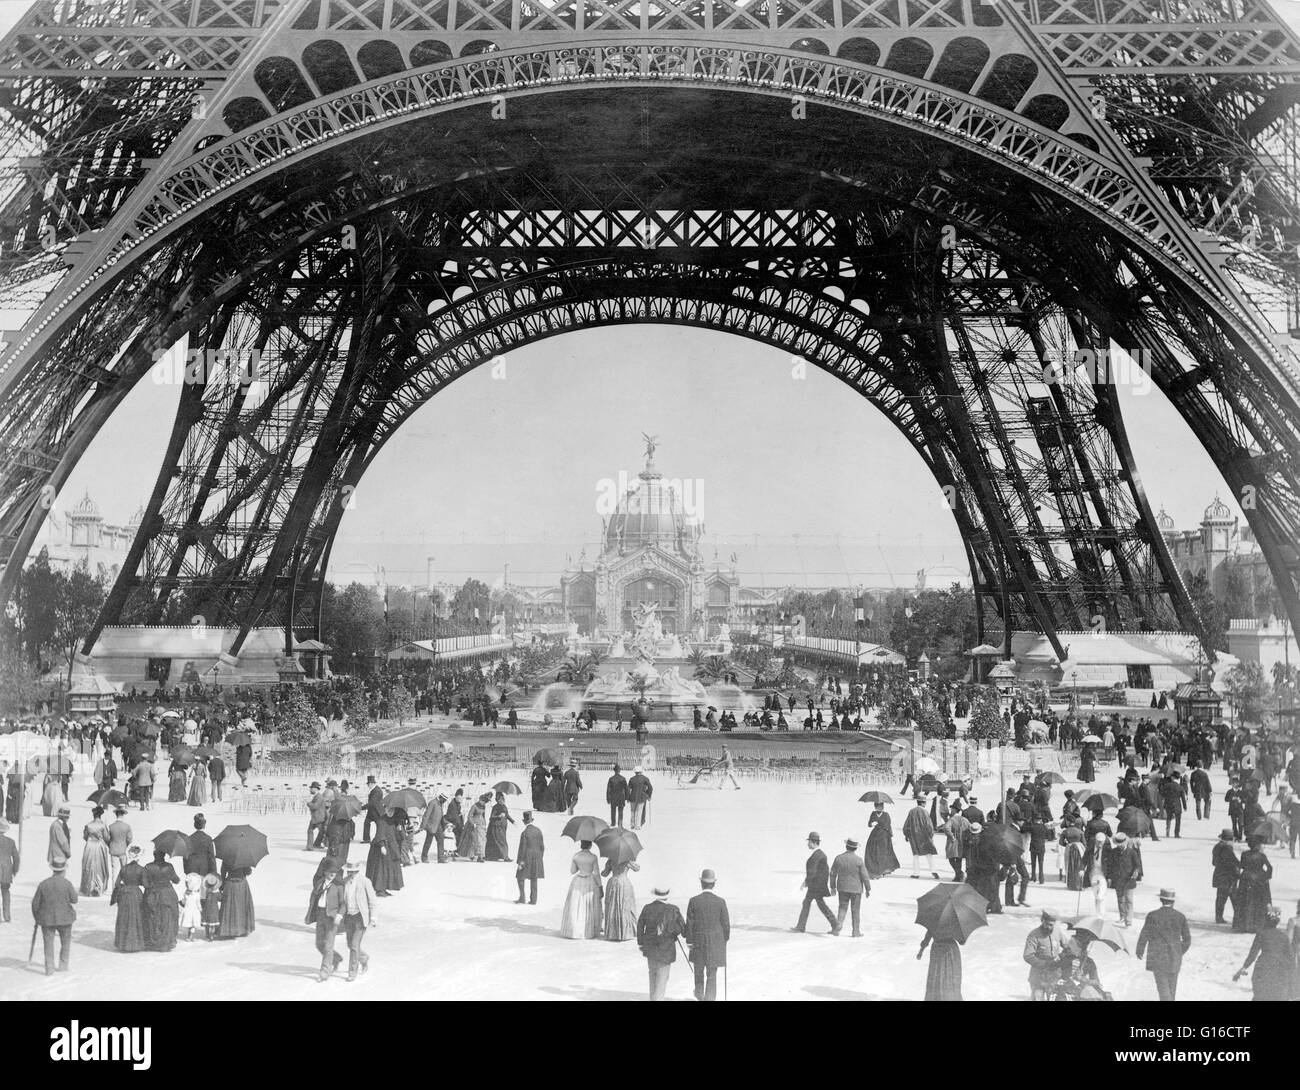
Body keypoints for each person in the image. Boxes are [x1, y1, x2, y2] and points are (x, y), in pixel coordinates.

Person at [1135, 888, 1191, 1001]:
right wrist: (1179, 951)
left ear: (1161, 899)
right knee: (1171, 989)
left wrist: (1140, 949)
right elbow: (1187, 940)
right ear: (1173, 902)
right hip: (1174, 958)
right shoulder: (1180, 916)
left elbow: (1144, 934)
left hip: (1158, 958)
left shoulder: (1152, 915)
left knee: (1163, 990)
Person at [685, 869, 730, 1001]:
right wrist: (724, 939)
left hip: (697, 943)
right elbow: (726, 924)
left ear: (701, 883)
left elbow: (689, 924)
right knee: (712, 973)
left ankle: (699, 995)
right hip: (715, 944)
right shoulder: (721, 902)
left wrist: (689, 941)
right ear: (713, 884)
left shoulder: (693, 901)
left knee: (698, 971)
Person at [637, 885, 686, 1000]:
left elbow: (640, 926)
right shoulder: (673, 909)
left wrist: (641, 943)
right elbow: (683, 930)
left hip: (650, 949)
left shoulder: (647, 908)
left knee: (652, 976)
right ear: (667, 896)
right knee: (662, 979)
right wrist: (673, 932)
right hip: (666, 950)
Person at [1234, 905, 1292, 1000]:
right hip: (1279, 969)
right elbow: (1290, 957)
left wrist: (1243, 968)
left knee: (1261, 995)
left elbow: (1253, 954)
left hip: (1263, 967)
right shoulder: (1284, 936)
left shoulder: (1261, 933)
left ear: (1266, 919)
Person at [31, 859, 78, 975]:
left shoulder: (43, 884)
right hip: (65, 919)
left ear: (53, 869)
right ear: (63, 870)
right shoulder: (67, 883)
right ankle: (63, 966)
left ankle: (49, 969)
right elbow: (74, 900)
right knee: (65, 944)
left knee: (48, 944)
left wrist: (37, 917)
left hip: (47, 920)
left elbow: (34, 904)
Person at [340, 859, 377, 981]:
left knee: (355, 945)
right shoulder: (344, 882)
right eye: (349, 871)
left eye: (353, 872)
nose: (351, 874)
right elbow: (342, 901)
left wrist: (373, 917)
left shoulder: (365, 881)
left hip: (360, 918)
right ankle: (364, 958)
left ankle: (352, 972)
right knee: (350, 944)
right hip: (349, 917)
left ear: (357, 871)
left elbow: (372, 901)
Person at [793, 831, 836, 934]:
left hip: (815, 886)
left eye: (809, 842)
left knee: (809, 903)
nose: (807, 844)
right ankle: (835, 924)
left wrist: (806, 882)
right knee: (815, 904)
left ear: (813, 842)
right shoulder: (820, 854)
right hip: (816, 885)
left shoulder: (817, 855)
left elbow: (813, 871)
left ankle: (801, 927)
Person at [559, 839, 603, 939]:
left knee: (577, 906)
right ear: (590, 845)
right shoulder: (593, 857)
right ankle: (588, 930)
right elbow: (596, 873)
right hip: (590, 881)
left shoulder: (576, 856)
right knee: (588, 904)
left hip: (578, 881)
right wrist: (600, 886)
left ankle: (575, 930)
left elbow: (572, 871)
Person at [829, 837, 871, 938]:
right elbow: (865, 876)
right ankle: (855, 932)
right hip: (856, 889)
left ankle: (837, 929)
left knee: (842, 908)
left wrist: (833, 887)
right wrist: (868, 889)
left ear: (846, 846)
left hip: (842, 888)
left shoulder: (838, 858)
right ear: (855, 848)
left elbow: (832, 874)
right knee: (855, 910)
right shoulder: (859, 860)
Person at [142, 848, 181, 952]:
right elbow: (176, 880)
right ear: (164, 855)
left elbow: (145, 884)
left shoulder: (148, 866)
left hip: (152, 894)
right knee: (167, 918)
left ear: (154, 855)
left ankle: (153, 942)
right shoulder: (169, 866)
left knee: (152, 918)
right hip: (167, 894)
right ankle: (166, 942)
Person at [1023, 908, 1066, 1000]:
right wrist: (1044, 964)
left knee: (1054, 998)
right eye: (1047, 924)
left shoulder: (1057, 931)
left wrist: (1062, 955)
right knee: (1038, 997)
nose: (1049, 927)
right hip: (1038, 974)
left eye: (1051, 925)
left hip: (1054, 974)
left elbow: (1068, 947)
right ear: (1042, 920)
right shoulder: (1034, 935)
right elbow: (1028, 955)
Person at [313, 859, 345, 982]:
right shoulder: (320, 883)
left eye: (335, 872)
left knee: (328, 946)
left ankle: (324, 972)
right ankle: (336, 958)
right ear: (325, 872)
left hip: (332, 917)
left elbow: (343, 904)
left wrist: (340, 915)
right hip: (320, 915)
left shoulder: (339, 886)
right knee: (319, 944)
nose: (332, 874)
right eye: (330, 871)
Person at [110, 845, 146, 952]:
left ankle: (123, 944)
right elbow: (146, 884)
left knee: (124, 917)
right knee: (136, 917)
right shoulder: (141, 869)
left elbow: (117, 884)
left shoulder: (124, 868)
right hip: (136, 894)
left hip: (125, 894)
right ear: (138, 857)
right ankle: (135, 944)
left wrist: (124, 887)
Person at [1234, 836, 1273, 933]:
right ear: (1258, 846)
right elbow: (1270, 867)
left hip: (1246, 878)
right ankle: (1258, 924)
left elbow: (1241, 865)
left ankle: (1243, 924)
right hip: (1259, 879)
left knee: (1245, 901)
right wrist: (1267, 876)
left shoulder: (1244, 854)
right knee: (1259, 901)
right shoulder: (1261, 856)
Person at [1104, 831, 1143, 926]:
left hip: (1129, 880)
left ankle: (1128, 921)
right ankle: (1122, 916)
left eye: (1121, 844)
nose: (1119, 846)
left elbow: (1138, 865)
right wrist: (1109, 877)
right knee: (1120, 899)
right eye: (1118, 844)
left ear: (1125, 842)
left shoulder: (1132, 852)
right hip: (1118, 880)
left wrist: (1136, 871)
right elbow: (1109, 866)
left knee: (1129, 900)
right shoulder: (1113, 852)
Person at [917, 927, 962, 1001]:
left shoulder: (934, 921)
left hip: (938, 949)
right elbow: (961, 941)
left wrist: (921, 951)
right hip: (950, 950)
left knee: (937, 975)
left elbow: (927, 937)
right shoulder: (954, 922)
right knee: (948, 975)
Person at [366, 809, 404, 894]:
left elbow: (401, 838)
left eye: (392, 810)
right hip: (381, 847)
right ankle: (379, 889)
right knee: (381, 869)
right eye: (388, 809)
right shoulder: (381, 820)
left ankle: (385, 887)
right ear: (385, 809)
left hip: (392, 848)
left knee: (389, 868)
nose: (390, 812)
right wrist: (382, 846)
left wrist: (400, 830)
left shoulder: (395, 821)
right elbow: (380, 834)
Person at [603, 854, 640, 941]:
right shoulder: (627, 860)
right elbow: (637, 869)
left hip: (613, 883)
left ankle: (613, 933)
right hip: (624, 883)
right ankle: (626, 933)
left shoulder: (610, 860)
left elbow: (605, 874)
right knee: (626, 907)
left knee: (612, 907)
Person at [903, 795, 940, 879]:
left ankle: (916, 873)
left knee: (915, 855)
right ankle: (934, 871)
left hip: (914, 837)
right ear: (923, 803)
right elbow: (929, 826)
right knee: (929, 854)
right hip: (924, 836)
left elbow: (906, 824)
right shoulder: (925, 812)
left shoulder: (911, 811)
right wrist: (931, 836)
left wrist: (906, 835)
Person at [80, 806, 112, 897]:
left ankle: (88, 886)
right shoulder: (103, 825)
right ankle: (98, 886)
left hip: (89, 846)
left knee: (88, 865)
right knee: (100, 866)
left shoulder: (88, 825)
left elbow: (85, 837)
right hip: (99, 846)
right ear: (101, 815)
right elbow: (107, 838)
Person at [218, 862, 255, 937]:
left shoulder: (226, 858)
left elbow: (223, 873)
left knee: (230, 907)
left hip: (230, 884)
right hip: (242, 885)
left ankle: (228, 930)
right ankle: (243, 929)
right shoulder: (243, 858)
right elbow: (248, 872)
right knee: (242, 907)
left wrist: (221, 886)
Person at [1211, 829, 1240, 925]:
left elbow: (1214, 862)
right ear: (1229, 839)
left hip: (1219, 875)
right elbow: (1233, 862)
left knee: (1220, 898)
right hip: (1228, 877)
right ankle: (1238, 919)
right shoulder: (1227, 848)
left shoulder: (1217, 847)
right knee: (1235, 899)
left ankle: (1218, 917)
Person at [515, 810, 544, 905]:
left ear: (524, 822)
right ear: (532, 820)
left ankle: (522, 898)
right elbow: (542, 847)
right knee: (534, 877)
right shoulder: (538, 830)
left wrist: (520, 862)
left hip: (526, 857)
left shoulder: (524, 833)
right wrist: (540, 858)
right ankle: (533, 900)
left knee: (520, 876)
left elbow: (522, 849)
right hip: (537, 857)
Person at [865, 801, 900, 878]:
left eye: (880, 807)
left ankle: (883, 869)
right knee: (873, 851)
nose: (879, 808)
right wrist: (872, 824)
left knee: (882, 853)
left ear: (883, 807)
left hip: (884, 836)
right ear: (875, 807)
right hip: (874, 835)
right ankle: (875, 869)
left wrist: (891, 836)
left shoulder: (886, 815)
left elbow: (888, 825)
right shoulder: (873, 814)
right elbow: (869, 824)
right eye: (877, 807)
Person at [458, 794, 489, 861]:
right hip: (475, 825)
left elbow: (483, 815)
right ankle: (474, 855)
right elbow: (469, 816)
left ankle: (480, 856)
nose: (483, 803)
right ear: (480, 800)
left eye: (485, 802)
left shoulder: (483, 806)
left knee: (482, 841)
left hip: (481, 825)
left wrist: (485, 824)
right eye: (483, 801)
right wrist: (473, 823)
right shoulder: (474, 806)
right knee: (476, 841)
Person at [942, 809, 971, 882]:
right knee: (959, 859)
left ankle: (959, 874)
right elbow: (970, 828)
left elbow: (946, 828)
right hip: (963, 843)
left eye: (952, 810)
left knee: (951, 858)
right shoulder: (965, 819)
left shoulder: (951, 820)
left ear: (954, 811)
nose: (951, 811)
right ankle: (958, 876)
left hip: (953, 842)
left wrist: (951, 836)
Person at [106, 807, 131, 886]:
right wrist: (125, 845)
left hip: (113, 850)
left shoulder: (111, 826)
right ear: (123, 815)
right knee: (124, 870)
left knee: (114, 870)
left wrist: (110, 845)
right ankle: (124, 886)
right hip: (123, 850)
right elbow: (129, 838)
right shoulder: (127, 826)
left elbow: (107, 838)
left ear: (116, 815)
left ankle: (114, 888)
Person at [419, 792, 447, 863]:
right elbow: (427, 814)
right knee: (428, 842)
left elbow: (440, 815)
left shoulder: (440, 804)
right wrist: (423, 825)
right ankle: (424, 857)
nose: (444, 802)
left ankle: (441, 858)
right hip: (431, 826)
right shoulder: (433, 803)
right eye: (444, 800)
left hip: (438, 826)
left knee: (441, 840)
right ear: (441, 797)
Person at [0, 818, 18, 923]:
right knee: (6, 893)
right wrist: (14, 871)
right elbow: (16, 858)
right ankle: (7, 916)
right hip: (6, 872)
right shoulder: (11, 842)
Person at [179, 872, 203, 942]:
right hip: (194, 911)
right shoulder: (197, 895)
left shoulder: (186, 893)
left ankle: (189, 936)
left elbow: (184, 902)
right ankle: (190, 936)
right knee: (193, 925)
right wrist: (200, 909)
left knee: (189, 924)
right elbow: (198, 903)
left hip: (187, 910)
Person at [1160, 772, 1185, 838]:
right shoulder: (1180, 787)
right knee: (1178, 820)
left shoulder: (1167, 785)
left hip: (1168, 803)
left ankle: (1167, 831)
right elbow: (1183, 798)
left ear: (1172, 778)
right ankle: (1176, 833)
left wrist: (1166, 797)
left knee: (1168, 818)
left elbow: (1162, 793)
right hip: (1177, 805)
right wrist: (1185, 806)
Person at [47, 804, 72, 869]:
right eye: (67, 817)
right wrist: (68, 852)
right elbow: (63, 842)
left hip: (58, 854)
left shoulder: (59, 824)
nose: (68, 819)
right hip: (58, 855)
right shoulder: (57, 826)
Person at [362, 775, 383, 843]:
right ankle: (366, 839)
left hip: (377, 811)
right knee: (367, 823)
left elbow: (372, 803)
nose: (368, 785)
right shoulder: (374, 790)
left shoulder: (377, 791)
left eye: (368, 784)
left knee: (379, 826)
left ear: (371, 783)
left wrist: (362, 807)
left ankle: (379, 838)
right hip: (372, 811)